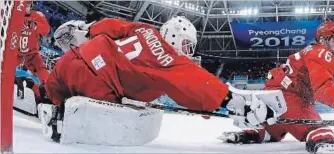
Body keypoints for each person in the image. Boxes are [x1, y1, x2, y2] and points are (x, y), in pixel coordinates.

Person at [39, 17, 287, 145]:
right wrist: (231, 100)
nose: (187, 51)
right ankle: (62, 119)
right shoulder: (170, 59)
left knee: (52, 89)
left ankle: (46, 96)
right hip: (100, 84)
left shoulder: (143, 28)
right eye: (187, 44)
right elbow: (196, 83)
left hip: (73, 59)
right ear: (175, 35)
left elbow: (108, 26)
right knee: (111, 114)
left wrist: (87, 30)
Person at [218, 21, 334, 154]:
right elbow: (322, 89)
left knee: (277, 132)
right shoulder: (322, 53)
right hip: (289, 97)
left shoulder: (324, 55)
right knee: (318, 130)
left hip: (281, 96)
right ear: (324, 39)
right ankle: (322, 143)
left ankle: (258, 132)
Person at [17, 3, 50, 101]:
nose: (25, 8)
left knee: (44, 74)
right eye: (23, 5)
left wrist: (35, 25)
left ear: (31, 5)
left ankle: (47, 97)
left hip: (32, 54)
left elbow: (46, 30)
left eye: (27, 5)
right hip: (15, 53)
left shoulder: (37, 15)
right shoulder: (14, 14)